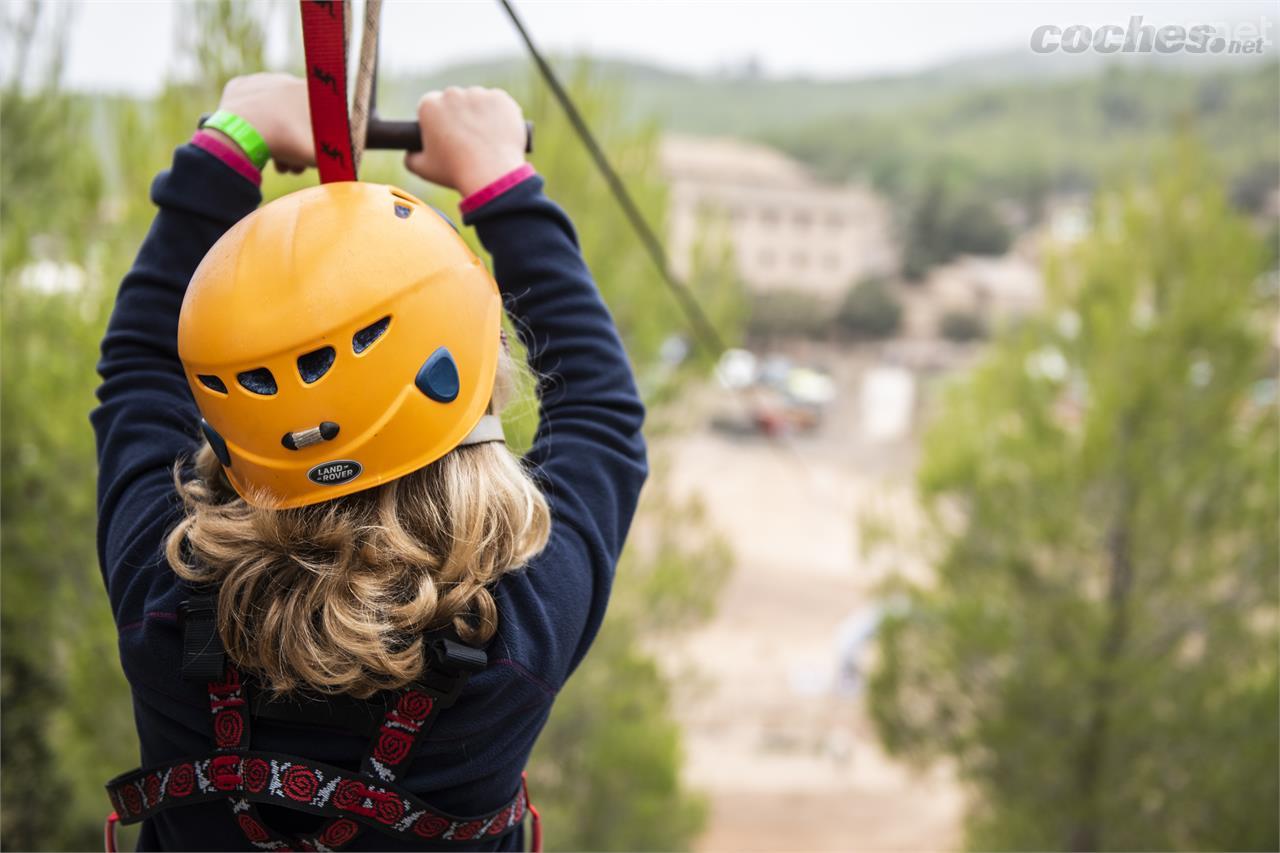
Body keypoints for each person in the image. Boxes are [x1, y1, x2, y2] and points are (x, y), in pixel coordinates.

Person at [93, 72, 647, 851]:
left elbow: (138, 374)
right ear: (473, 383)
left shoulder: (164, 599)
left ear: (230, 422)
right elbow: (602, 413)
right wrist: (500, 179)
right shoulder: (515, 635)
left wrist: (230, 146)